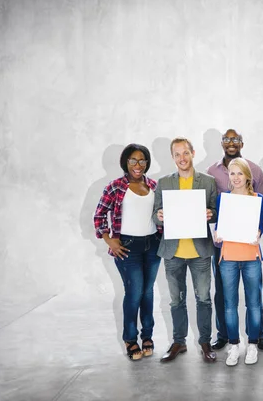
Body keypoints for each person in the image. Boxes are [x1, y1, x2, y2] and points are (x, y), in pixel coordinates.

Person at [153, 137, 218, 364]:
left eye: (185, 153)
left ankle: (205, 342)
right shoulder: (163, 183)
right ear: (172, 157)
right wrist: (159, 217)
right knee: (175, 301)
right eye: (177, 154)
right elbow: (155, 215)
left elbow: (216, 211)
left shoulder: (208, 182)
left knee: (203, 299)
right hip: (173, 252)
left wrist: (212, 214)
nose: (182, 158)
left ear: (193, 153)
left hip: (200, 251)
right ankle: (178, 341)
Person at [93, 143, 161, 361]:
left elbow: (161, 215)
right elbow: (99, 216)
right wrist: (109, 240)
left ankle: (147, 336)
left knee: (148, 292)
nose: (138, 165)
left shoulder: (153, 185)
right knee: (134, 292)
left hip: (152, 245)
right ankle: (130, 339)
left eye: (142, 160)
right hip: (127, 247)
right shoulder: (115, 187)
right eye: (133, 160)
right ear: (126, 162)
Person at [207, 129, 263, 351]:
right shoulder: (211, 171)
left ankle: (258, 335)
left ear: (242, 142)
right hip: (223, 245)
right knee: (224, 294)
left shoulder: (255, 170)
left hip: (249, 246)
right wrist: (215, 227)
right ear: (222, 143)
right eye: (227, 139)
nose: (231, 142)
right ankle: (224, 335)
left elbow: (260, 209)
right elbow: (211, 207)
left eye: (235, 139)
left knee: (254, 296)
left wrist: (260, 231)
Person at [213, 158, 263, 366]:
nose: (235, 178)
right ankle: (234, 345)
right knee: (229, 305)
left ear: (247, 176)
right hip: (228, 257)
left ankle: (252, 344)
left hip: (251, 257)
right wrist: (217, 234)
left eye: (239, 173)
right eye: (232, 174)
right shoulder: (223, 198)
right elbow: (219, 226)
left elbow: (260, 226)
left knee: (253, 304)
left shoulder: (258, 199)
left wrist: (258, 233)